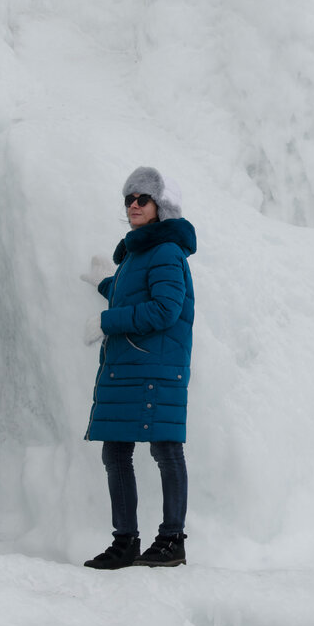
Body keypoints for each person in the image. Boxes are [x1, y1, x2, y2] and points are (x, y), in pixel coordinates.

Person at [82, 166, 197, 569]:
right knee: (116, 453)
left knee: (166, 450)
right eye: (129, 198)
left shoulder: (165, 251)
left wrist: (106, 321)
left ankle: (171, 540)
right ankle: (125, 541)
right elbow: (131, 291)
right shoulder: (139, 253)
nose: (133, 204)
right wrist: (104, 284)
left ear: (160, 206)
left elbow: (166, 308)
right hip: (129, 369)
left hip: (154, 368)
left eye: (142, 199)